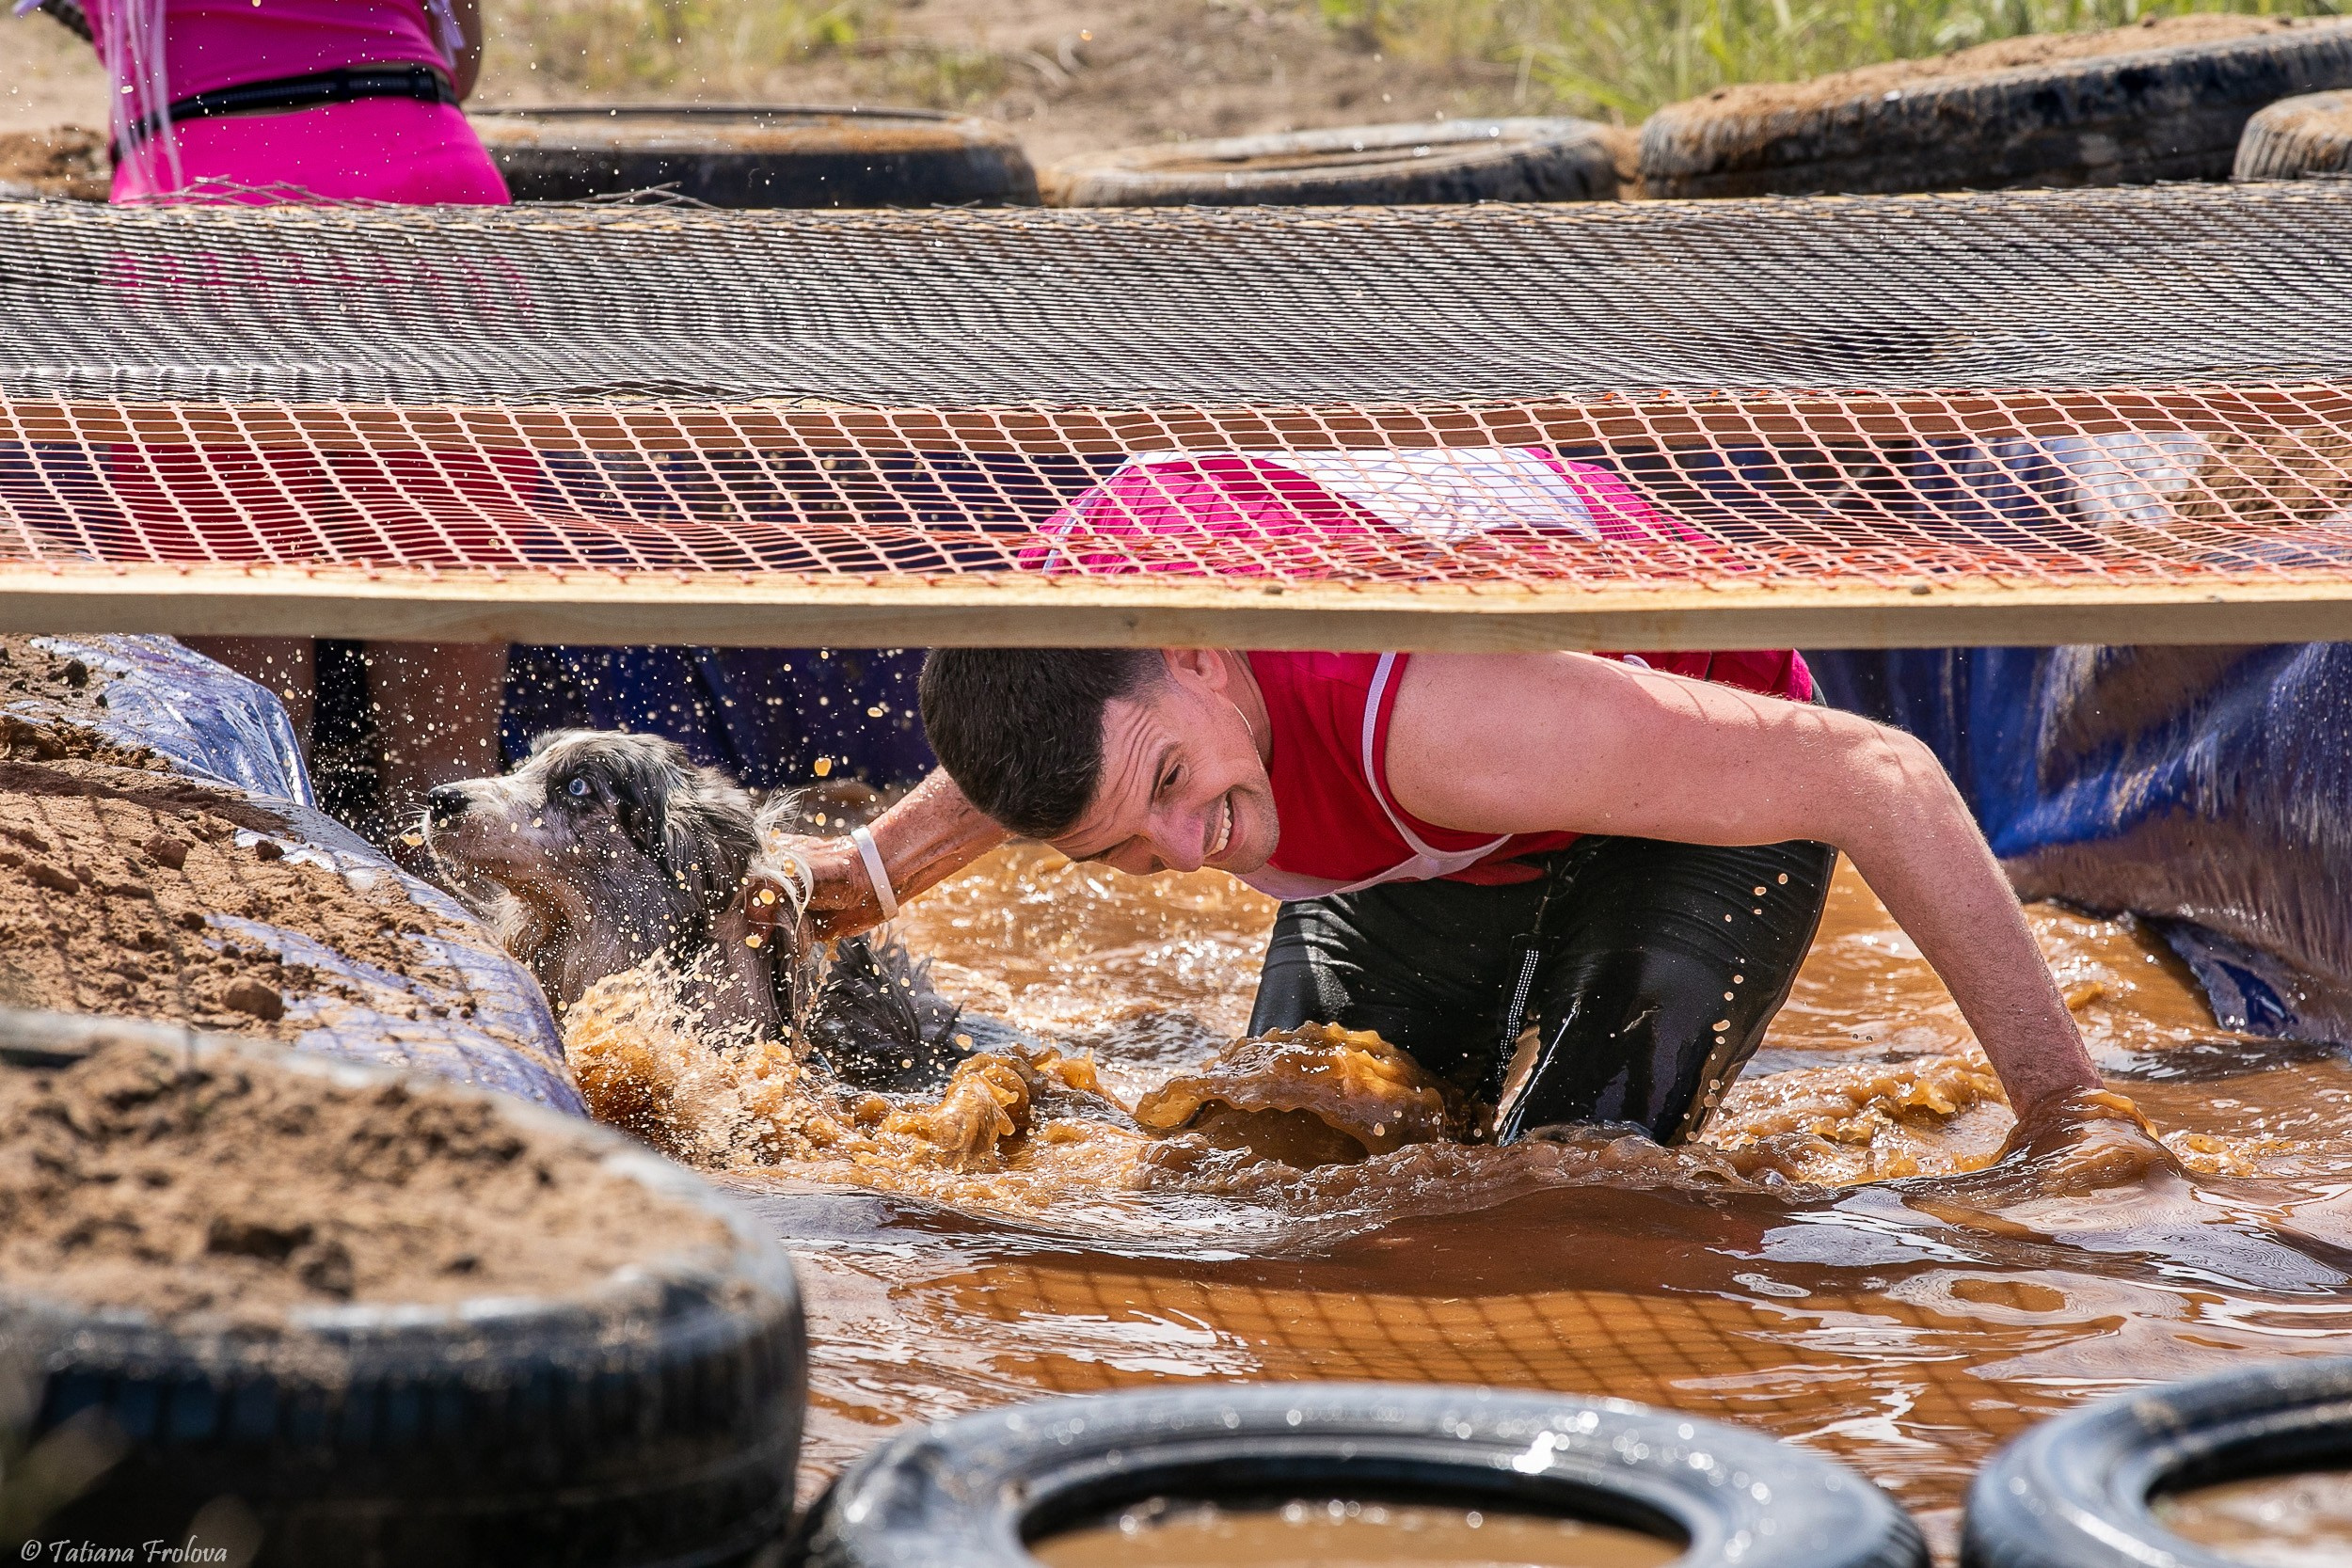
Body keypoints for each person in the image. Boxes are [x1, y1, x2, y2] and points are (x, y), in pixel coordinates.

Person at [767, 643, 2106, 1146]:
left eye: (1175, 781)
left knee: (1578, 1181)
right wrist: (869, 876)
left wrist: (2068, 1116)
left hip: (1682, 797)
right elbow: (1039, 743)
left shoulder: (1440, 717)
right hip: (1438, 847)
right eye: (1122, 851)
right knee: (1265, 1154)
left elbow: (1885, 772)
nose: (1186, 851)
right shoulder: (1098, 677)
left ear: (1196, 649)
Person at [61, 0, 511, 830]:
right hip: (425, 187)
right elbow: (461, 53)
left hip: (208, 221)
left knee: (252, 769)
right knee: (449, 778)